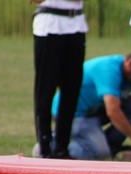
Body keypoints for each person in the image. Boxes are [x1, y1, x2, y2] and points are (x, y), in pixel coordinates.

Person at [48, 54, 131, 160]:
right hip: (73, 115)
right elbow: (112, 111)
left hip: (94, 112)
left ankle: (110, 145)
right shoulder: (109, 70)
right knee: (100, 154)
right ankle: (53, 144)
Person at [31, 0, 87, 159]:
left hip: (76, 23)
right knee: (46, 90)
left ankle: (62, 147)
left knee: (72, 89)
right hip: (51, 25)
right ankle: (45, 146)